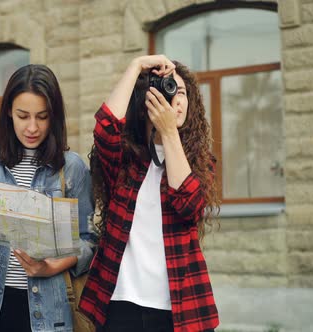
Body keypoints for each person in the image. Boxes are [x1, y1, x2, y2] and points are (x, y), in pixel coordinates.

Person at [79, 55, 220, 332]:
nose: (176, 100)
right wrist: (136, 65)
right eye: (167, 90)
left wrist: (168, 133)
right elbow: (105, 127)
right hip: (120, 302)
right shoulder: (126, 160)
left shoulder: (200, 162)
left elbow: (188, 205)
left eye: (181, 92)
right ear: (144, 103)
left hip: (180, 309)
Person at [0, 64, 95, 332]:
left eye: (42, 117)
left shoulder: (72, 168)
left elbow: (89, 241)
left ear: (53, 117)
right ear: (9, 112)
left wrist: (53, 265)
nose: (32, 127)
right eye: (23, 116)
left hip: (48, 309)